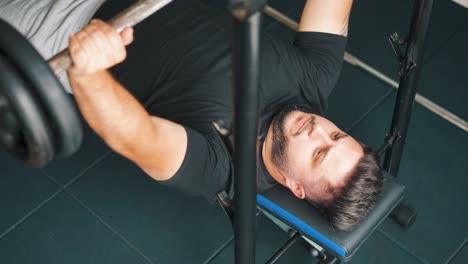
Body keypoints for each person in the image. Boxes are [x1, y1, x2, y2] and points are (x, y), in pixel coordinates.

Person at [4, 0, 384, 231]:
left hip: (71, 26)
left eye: (319, 153)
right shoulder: (314, 79)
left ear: (295, 187)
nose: (318, 130)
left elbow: (134, 136)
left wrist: (91, 72)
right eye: (336, 136)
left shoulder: (219, 168)